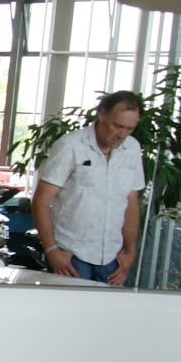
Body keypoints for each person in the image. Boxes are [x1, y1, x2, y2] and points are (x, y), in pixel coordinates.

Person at [31, 90, 146, 286]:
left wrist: (130, 253)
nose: (122, 135)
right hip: (72, 255)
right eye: (117, 126)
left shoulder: (132, 149)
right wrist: (52, 250)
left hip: (112, 258)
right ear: (101, 114)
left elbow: (131, 202)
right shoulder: (71, 146)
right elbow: (41, 201)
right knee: (69, 314)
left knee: (105, 316)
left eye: (129, 129)